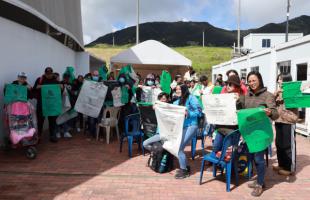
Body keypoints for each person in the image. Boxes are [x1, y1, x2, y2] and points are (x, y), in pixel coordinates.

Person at [244, 71, 279, 197]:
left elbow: (276, 114)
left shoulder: (268, 95)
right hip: (249, 132)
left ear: (260, 80)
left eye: (254, 80)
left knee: (259, 159)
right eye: (250, 81)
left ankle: (260, 184)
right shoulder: (246, 95)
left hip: (262, 132)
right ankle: (260, 180)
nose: (252, 83)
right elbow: (241, 110)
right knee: (253, 158)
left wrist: (270, 112)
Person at [173, 84, 201, 179]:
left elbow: (199, 111)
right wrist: (157, 106)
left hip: (192, 125)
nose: (177, 91)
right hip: (182, 127)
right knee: (177, 147)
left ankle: (184, 170)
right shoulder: (177, 101)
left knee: (179, 148)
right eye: (176, 89)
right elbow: (168, 108)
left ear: (184, 89)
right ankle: (185, 167)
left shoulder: (191, 98)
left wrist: (188, 113)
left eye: (179, 89)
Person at [273, 73, 298, 176]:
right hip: (278, 120)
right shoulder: (277, 92)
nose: (279, 81)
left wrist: (288, 94)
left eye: (282, 79)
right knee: (279, 144)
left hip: (289, 121)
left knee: (288, 145)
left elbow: (297, 102)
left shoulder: (293, 91)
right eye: (278, 79)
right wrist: (275, 94)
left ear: (287, 80)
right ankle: (282, 164)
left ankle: (289, 168)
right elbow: (271, 103)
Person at [212, 75, 244, 153]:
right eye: (227, 84)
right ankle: (218, 164)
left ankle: (229, 164)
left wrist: (238, 101)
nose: (227, 86)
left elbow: (243, 112)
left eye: (230, 84)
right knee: (215, 149)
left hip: (233, 131)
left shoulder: (242, 98)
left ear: (236, 86)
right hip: (221, 128)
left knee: (228, 152)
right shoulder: (223, 97)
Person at [33, 67, 62, 143]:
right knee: (40, 121)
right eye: (47, 74)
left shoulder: (56, 80)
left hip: (52, 104)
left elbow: (60, 91)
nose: (48, 75)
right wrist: (40, 87)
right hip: (41, 104)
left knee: (52, 121)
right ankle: (38, 136)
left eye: (50, 74)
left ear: (52, 73)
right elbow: (34, 89)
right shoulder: (40, 79)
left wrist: (61, 87)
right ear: (45, 73)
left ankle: (52, 135)